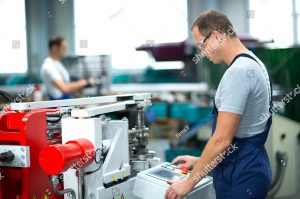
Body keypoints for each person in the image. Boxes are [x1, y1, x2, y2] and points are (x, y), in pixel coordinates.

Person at [165, 10, 272, 199]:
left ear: (216, 36)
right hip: (250, 168)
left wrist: (188, 183)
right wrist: (199, 162)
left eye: (201, 45)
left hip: (240, 176)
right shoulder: (253, 63)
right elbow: (240, 138)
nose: (202, 53)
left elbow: (222, 140)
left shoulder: (238, 73)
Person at [41, 36, 92, 100]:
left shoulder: (57, 63)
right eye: (64, 47)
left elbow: (67, 84)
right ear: (55, 48)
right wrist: (84, 82)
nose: (66, 50)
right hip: (57, 105)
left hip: (64, 101)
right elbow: (65, 88)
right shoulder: (48, 66)